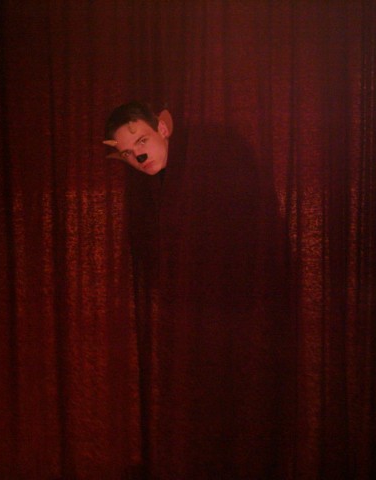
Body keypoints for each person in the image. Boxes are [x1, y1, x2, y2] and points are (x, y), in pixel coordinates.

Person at [103, 101, 295, 478]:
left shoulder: (208, 162)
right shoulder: (149, 191)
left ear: (163, 129)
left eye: (142, 141)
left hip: (243, 310)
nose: (138, 156)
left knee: (244, 404)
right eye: (126, 153)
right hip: (195, 322)